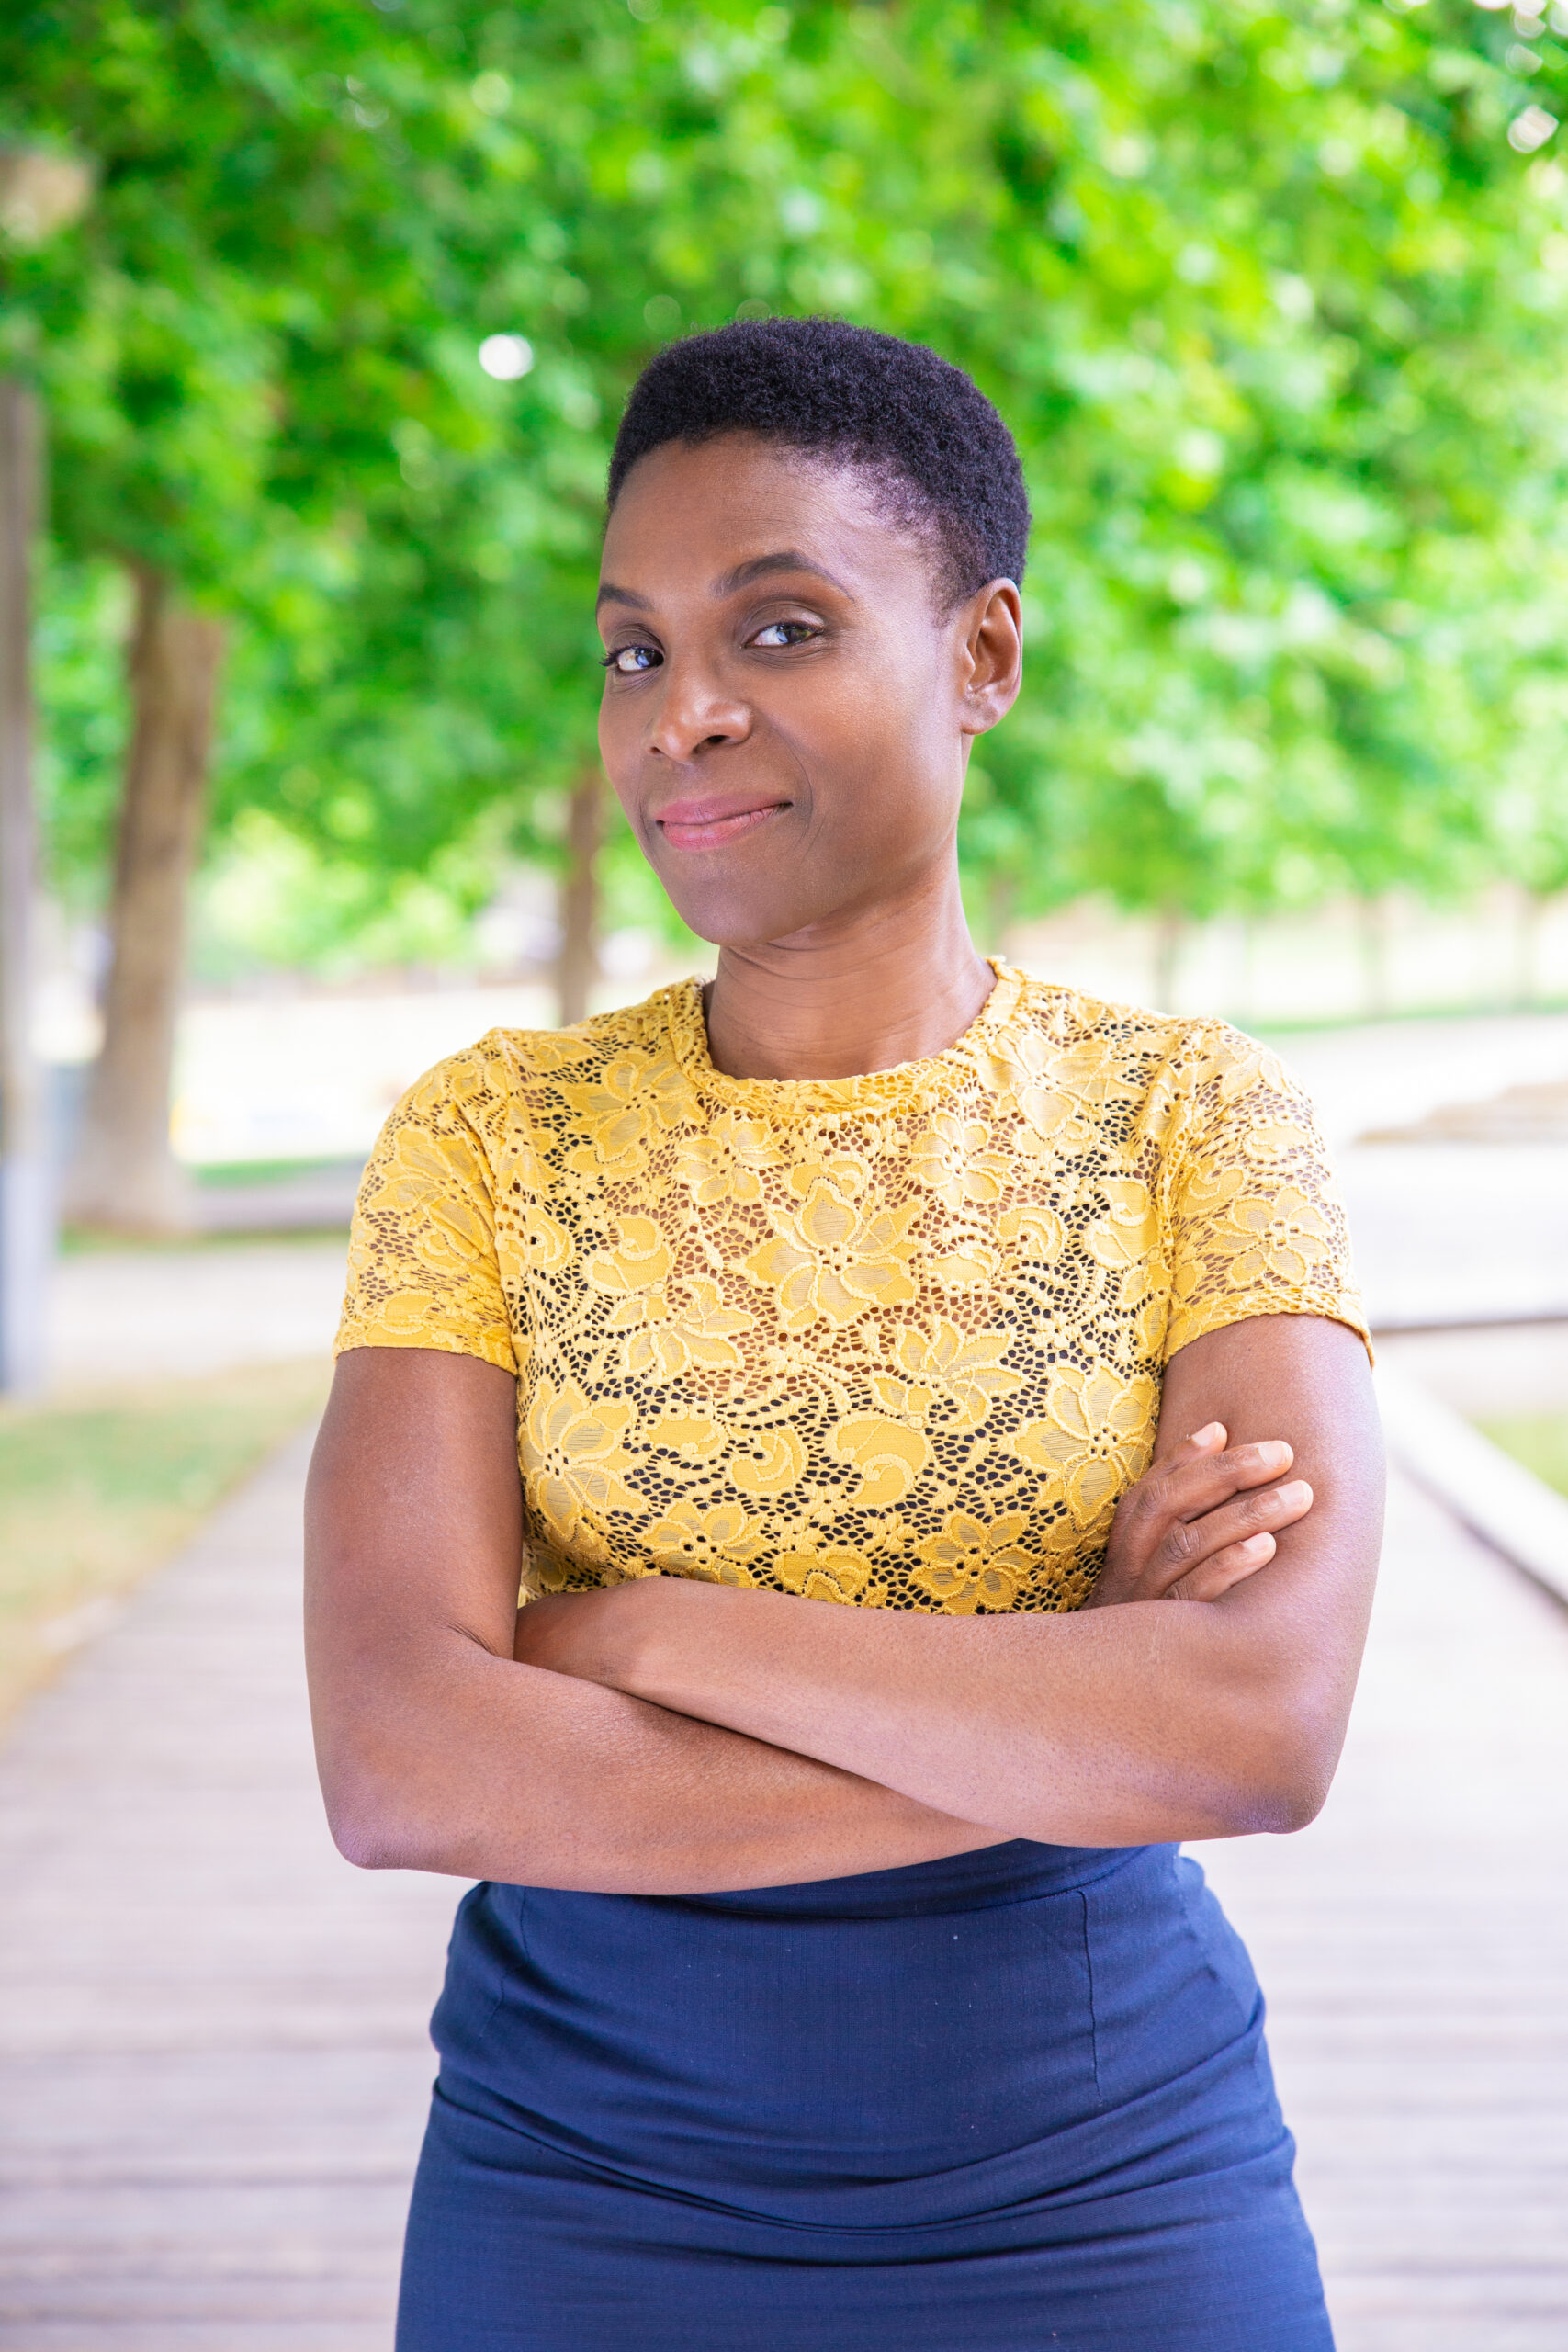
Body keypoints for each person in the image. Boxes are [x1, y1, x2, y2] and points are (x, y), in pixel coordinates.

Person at [305, 317, 1382, 2352]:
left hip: (1102, 2170)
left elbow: (1255, 1728)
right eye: (633, 648)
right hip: (586, 2175)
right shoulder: (487, 1136)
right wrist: (1073, 1707)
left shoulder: (1187, 1121)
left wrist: (641, 1628)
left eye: (776, 630)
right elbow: (400, 1759)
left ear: (981, 655)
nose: (678, 714)